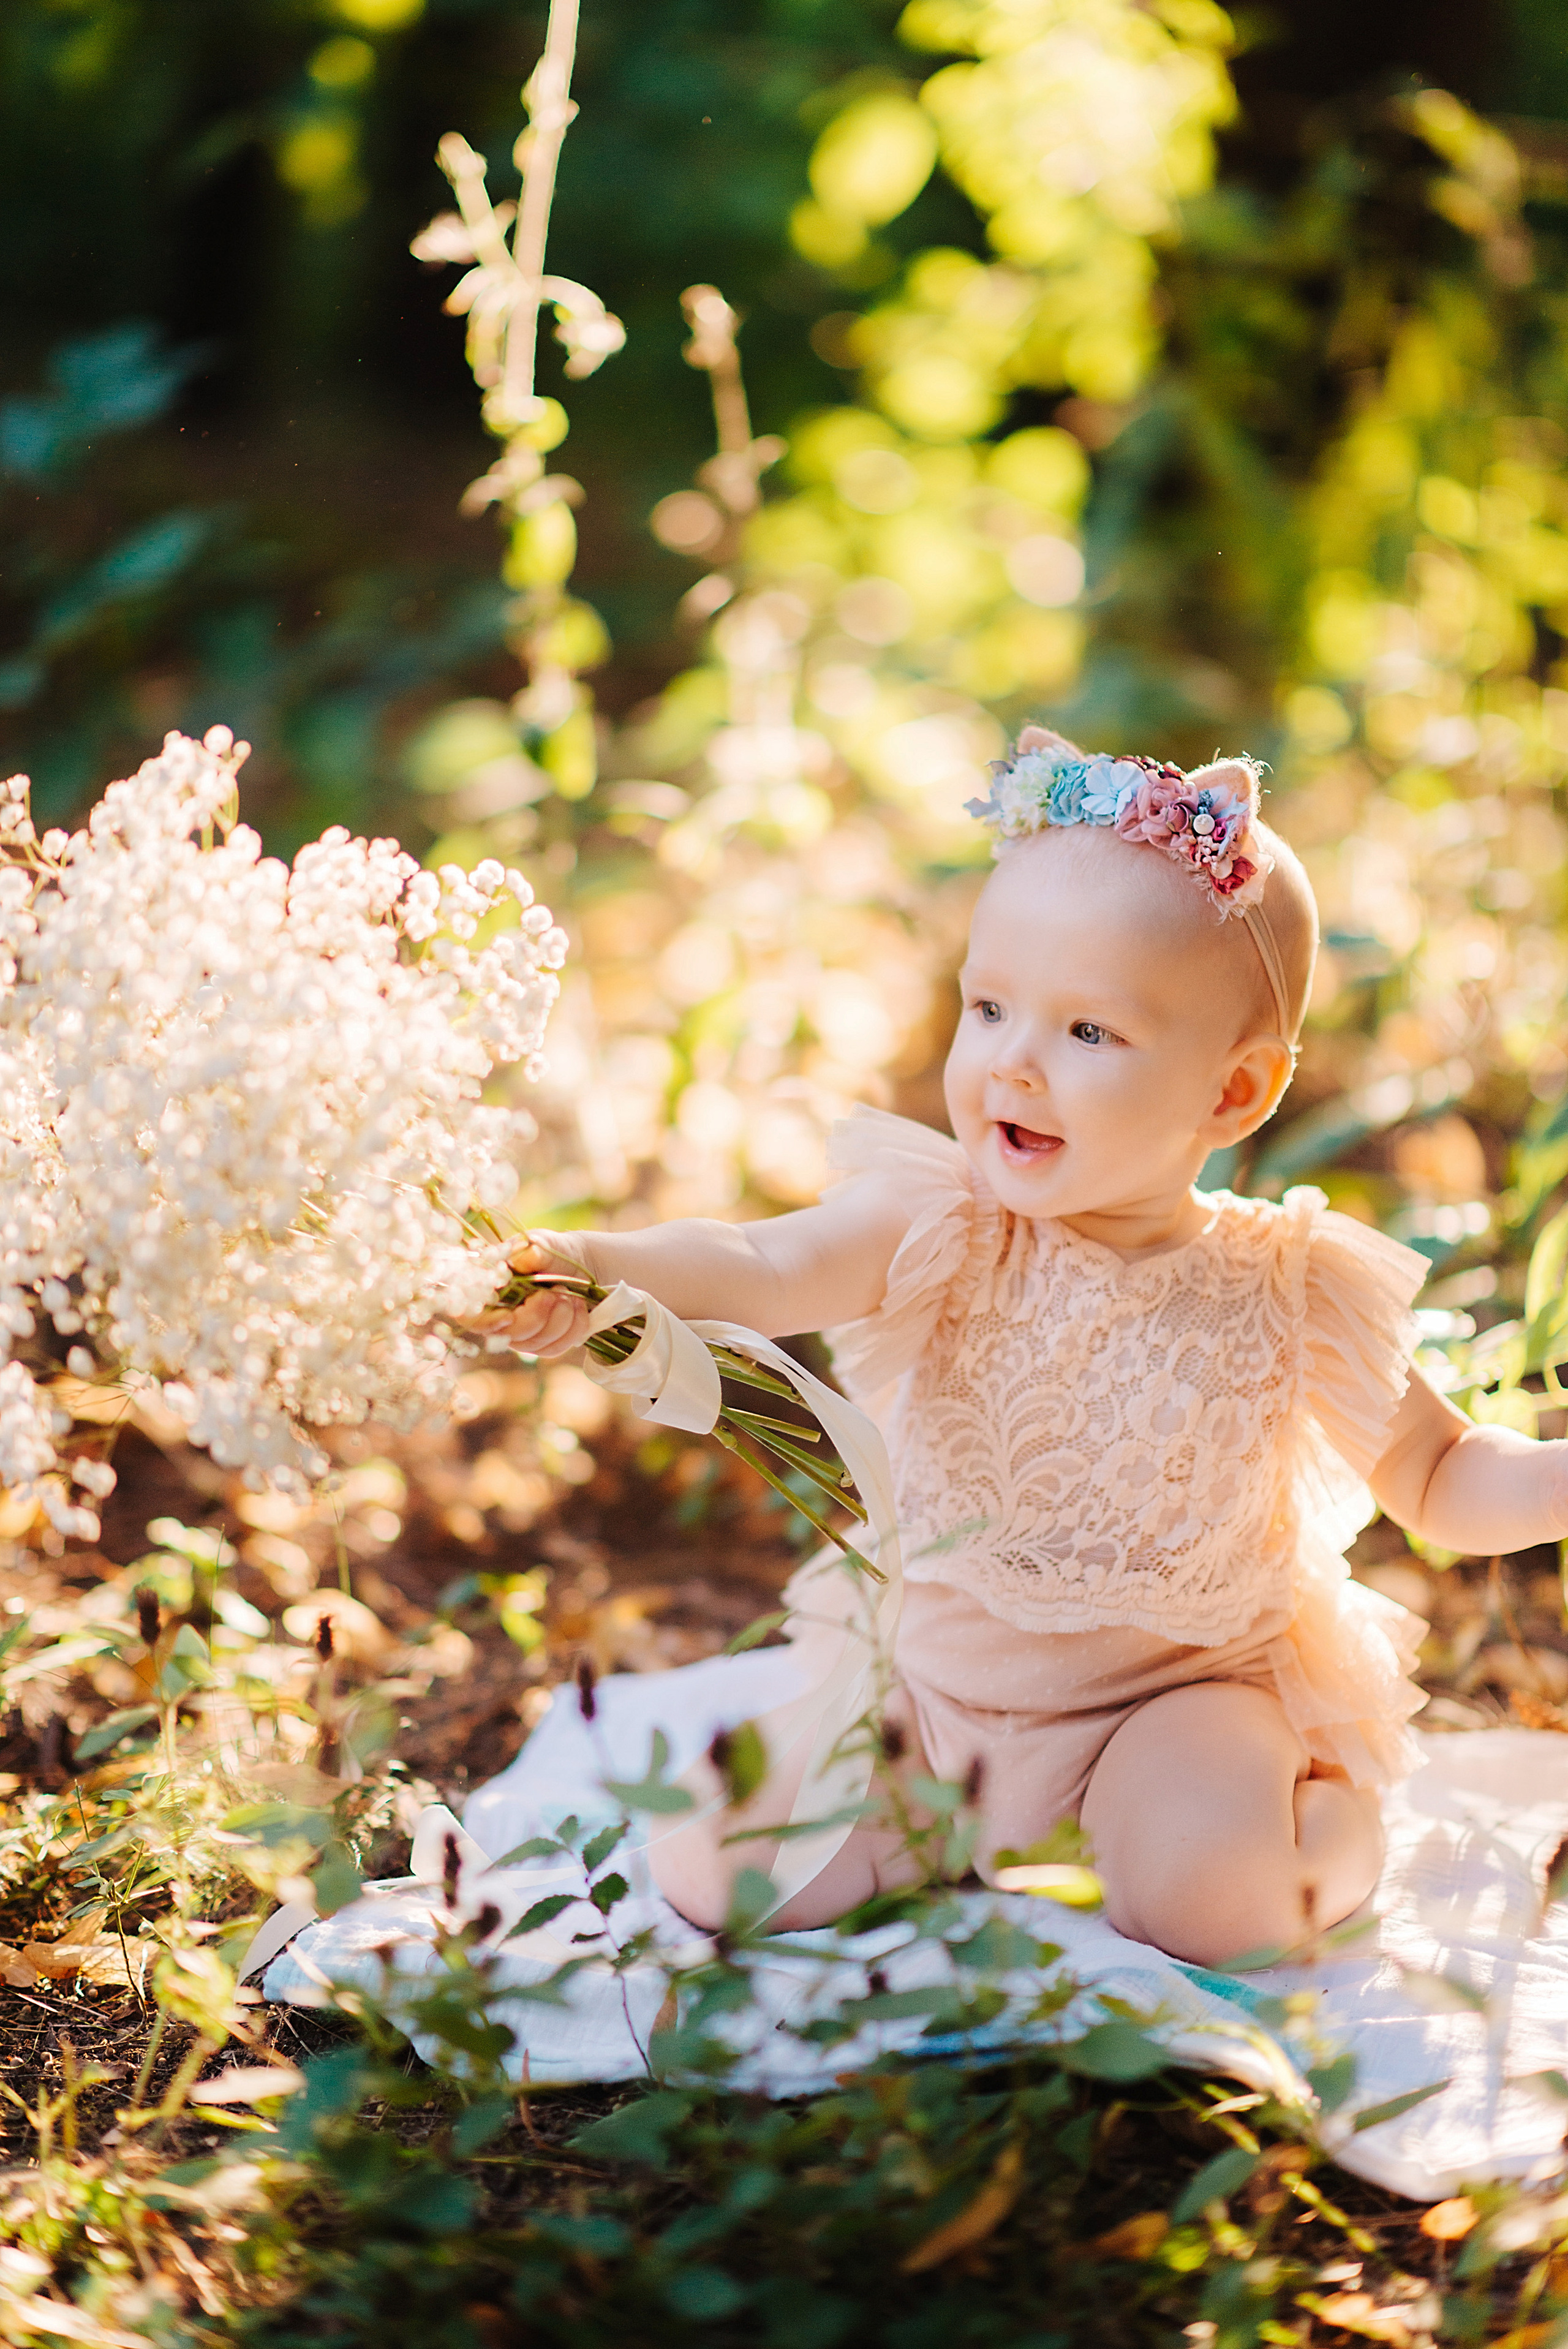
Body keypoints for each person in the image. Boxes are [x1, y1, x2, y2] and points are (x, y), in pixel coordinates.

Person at [489, 729, 1568, 1969]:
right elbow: (758, 1265)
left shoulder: (1292, 1284)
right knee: (716, 1868)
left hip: (1170, 1704)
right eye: (988, 1006)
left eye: (1085, 1033)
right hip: (931, 1697)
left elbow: (1439, 1477)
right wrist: (597, 1264)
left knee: (1227, 1910)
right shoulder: (938, 1217)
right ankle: (932, 1824)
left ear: (1230, 1093)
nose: (1009, 1059)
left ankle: (1325, 1828)